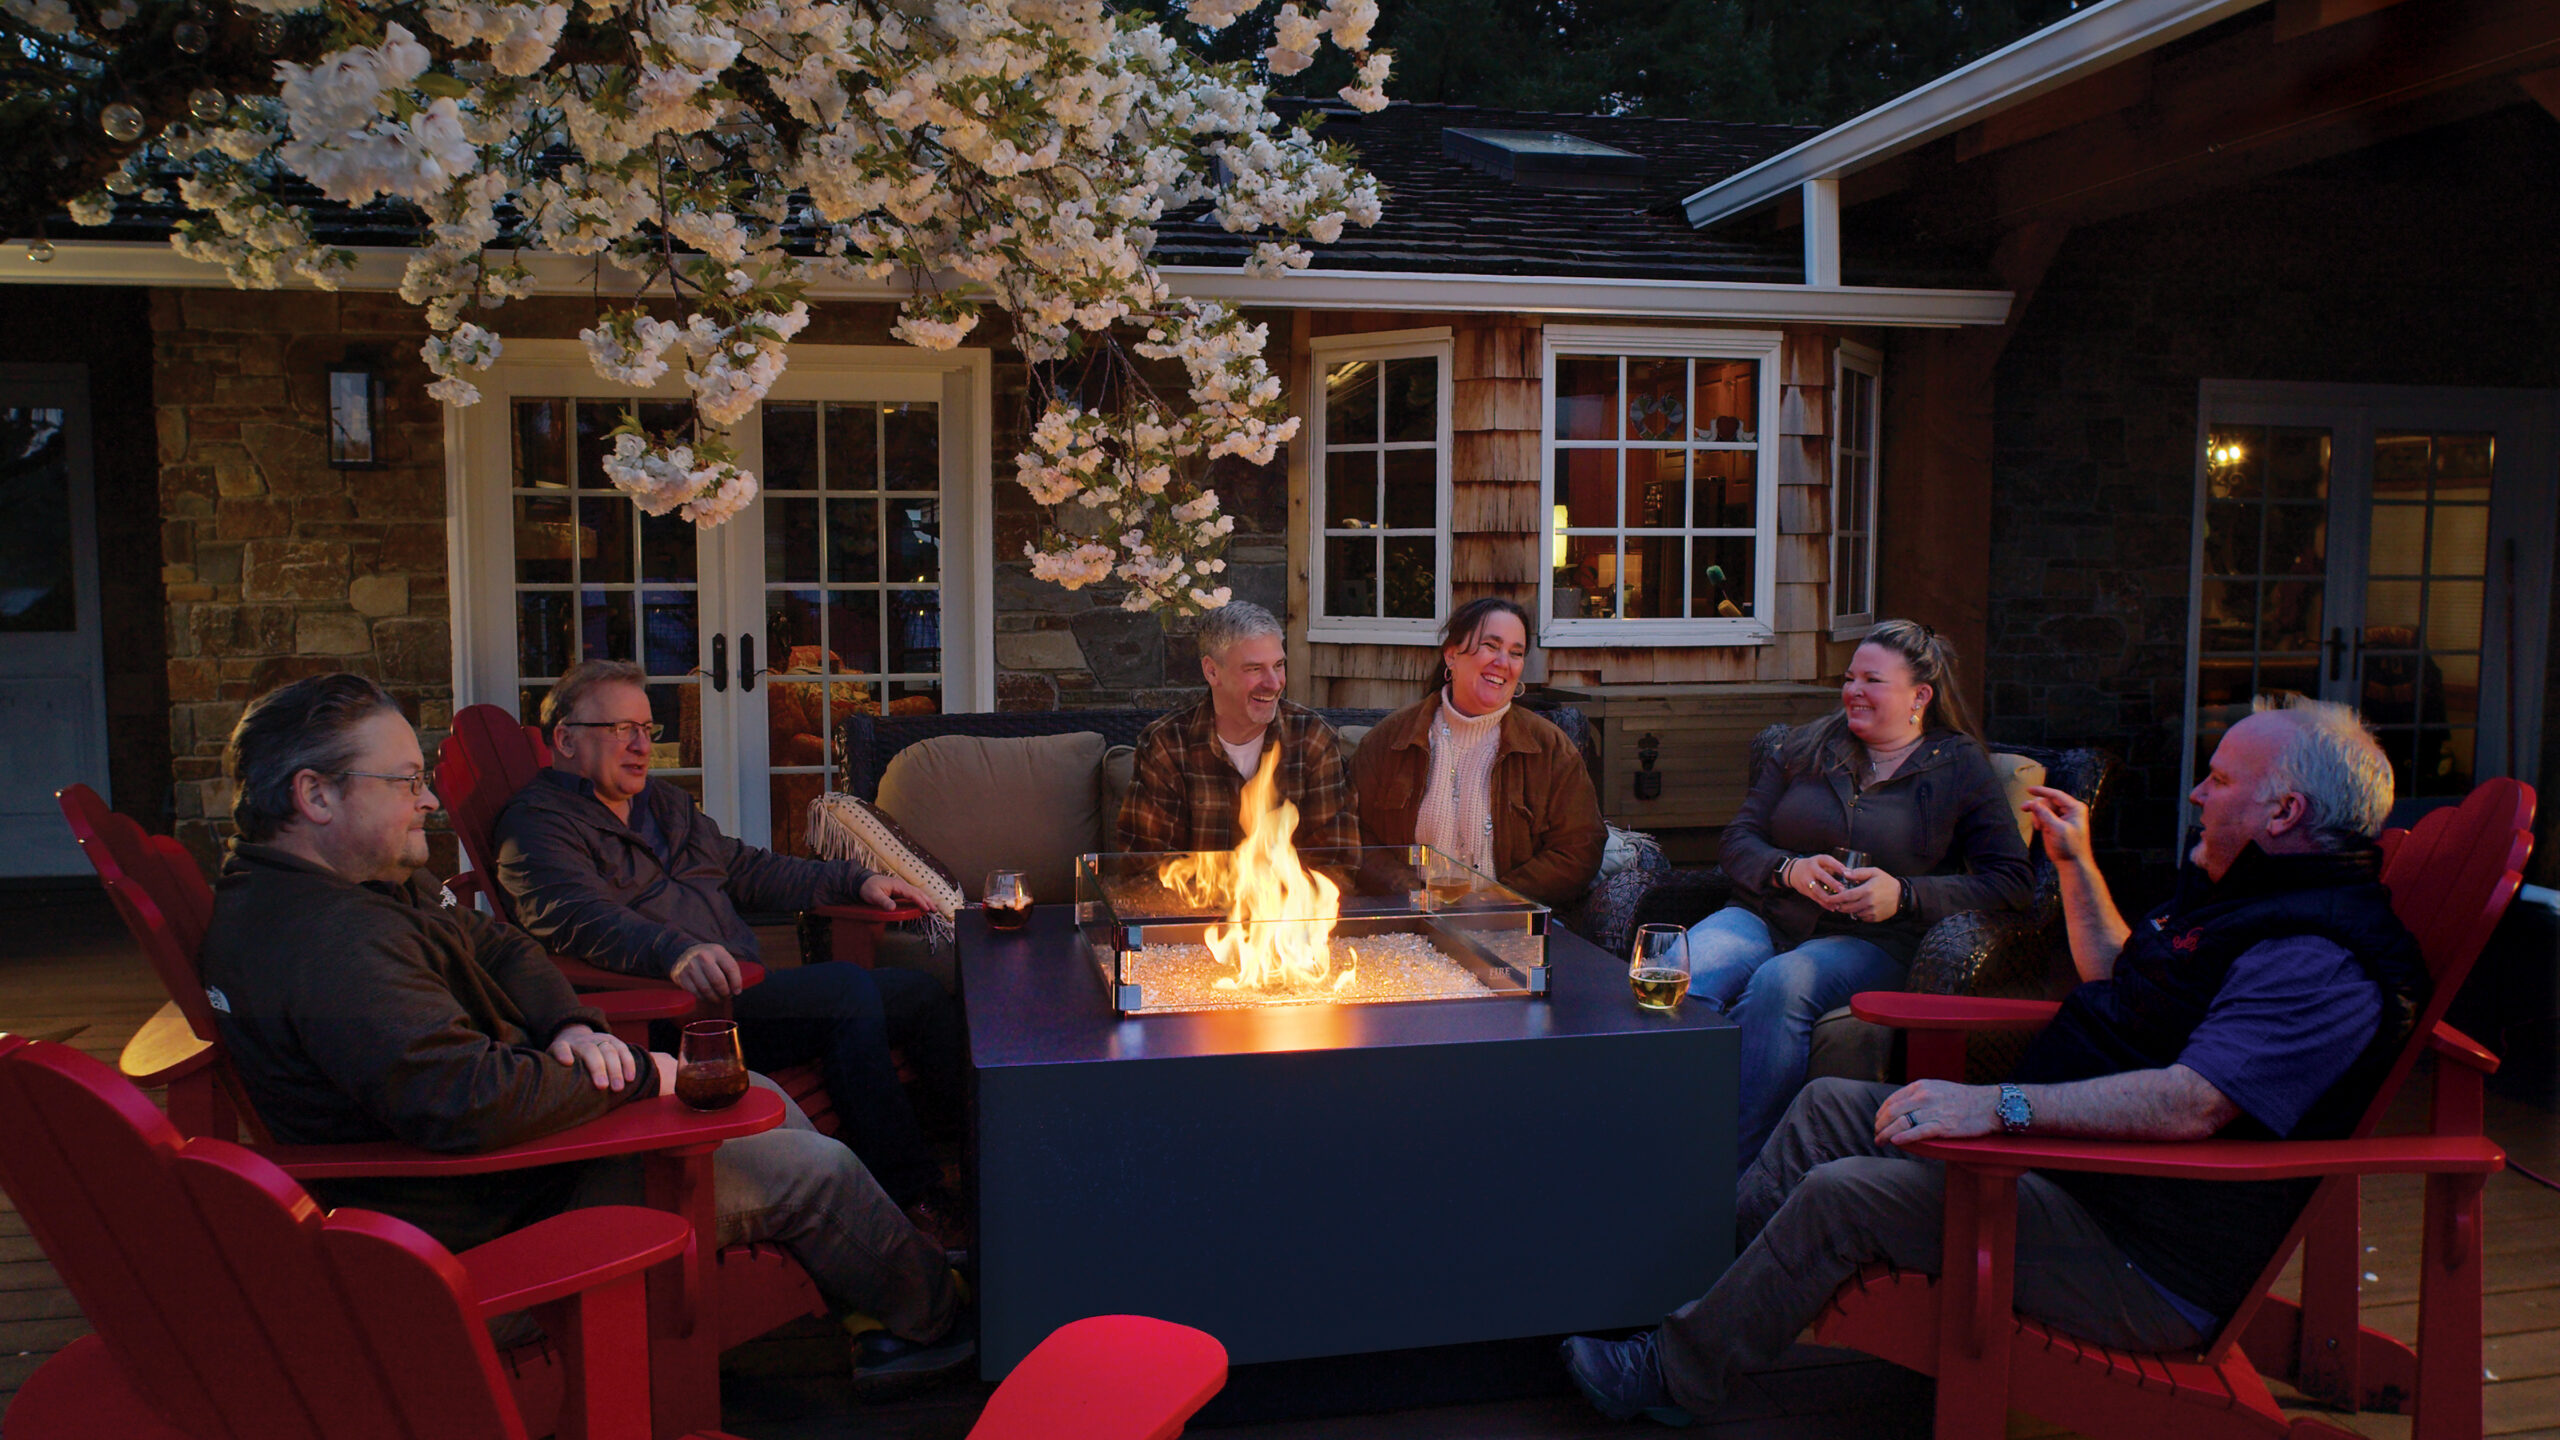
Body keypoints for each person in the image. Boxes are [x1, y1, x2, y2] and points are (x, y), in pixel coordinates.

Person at [1563, 698, 2425, 1426]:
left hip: (2134, 1251)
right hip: (2069, 1175)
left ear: (2285, 814)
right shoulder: (2251, 897)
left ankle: (1675, 1374)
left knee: (1845, 1194)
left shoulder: (2319, 956)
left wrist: (1999, 1106)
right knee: (1830, 1105)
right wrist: (2076, 865)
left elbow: (2191, 1104)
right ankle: (1679, 1297)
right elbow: (2120, 976)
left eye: (2222, 781)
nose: (2198, 793)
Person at [200, 674, 971, 1386]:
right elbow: (464, 1099)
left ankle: (883, 1281)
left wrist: (569, 1023)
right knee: (811, 1169)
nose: (427, 799)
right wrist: (638, 1075)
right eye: (404, 781)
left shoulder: (359, 891)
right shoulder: (334, 943)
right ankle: (938, 1322)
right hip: (501, 1224)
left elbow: (502, 946)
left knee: (762, 1092)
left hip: (529, 1163)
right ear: (315, 794)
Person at [491, 659, 967, 1245]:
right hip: (673, 1020)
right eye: (621, 729)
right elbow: (576, 918)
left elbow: (746, 868)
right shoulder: (537, 828)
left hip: (739, 990)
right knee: (843, 994)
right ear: (565, 739)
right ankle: (912, 1197)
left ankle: (975, 1158)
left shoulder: (663, 804)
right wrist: (675, 951)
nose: (641, 745)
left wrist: (854, 880)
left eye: (647, 728)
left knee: (920, 994)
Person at [1687, 619, 2033, 1168]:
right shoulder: (1805, 746)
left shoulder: (1958, 766)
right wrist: (1787, 869)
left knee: (1783, 982)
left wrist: (1906, 895)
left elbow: (2012, 881)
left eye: (1873, 680)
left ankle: (1730, 1173)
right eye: (1850, 678)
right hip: (1765, 913)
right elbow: (1737, 839)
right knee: (1683, 969)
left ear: (1920, 696)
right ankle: (1656, 1130)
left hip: (1872, 940)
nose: (1853, 691)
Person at [1349, 597, 1605, 908]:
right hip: (1409, 921)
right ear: (1451, 655)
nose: (1503, 662)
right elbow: (1353, 834)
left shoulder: (1550, 749)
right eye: (1491, 646)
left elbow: (1580, 848)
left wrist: (1494, 901)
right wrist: (1414, 896)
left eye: (1516, 653)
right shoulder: (1388, 740)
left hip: (1512, 923)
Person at [1117, 599, 1359, 854]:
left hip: (1293, 883)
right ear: (1212, 672)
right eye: (1254, 669)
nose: (1274, 683)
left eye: (1278, 665)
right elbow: (1145, 860)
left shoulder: (1313, 738)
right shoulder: (1167, 744)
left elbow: (1336, 857)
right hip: (1195, 883)